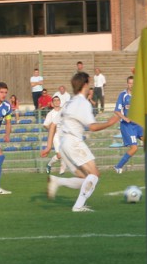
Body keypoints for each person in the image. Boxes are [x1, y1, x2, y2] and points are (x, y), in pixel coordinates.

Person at [43, 72, 120, 212]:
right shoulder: (83, 103)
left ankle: (57, 181)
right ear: (85, 84)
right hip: (74, 143)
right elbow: (92, 127)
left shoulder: (68, 103)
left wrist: (49, 146)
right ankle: (78, 206)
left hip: (63, 144)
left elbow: (53, 125)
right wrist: (110, 122)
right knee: (94, 175)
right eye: (89, 83)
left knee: (86, 178)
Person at [113, 76, 147, 174]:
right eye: (130, 83)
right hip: (127, 126)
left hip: (138, 125)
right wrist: (125, 118)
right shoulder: (123, 95)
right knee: (134, 148)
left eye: (133, 83)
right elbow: (117, 111)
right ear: (127, 84)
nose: (131, 85)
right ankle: (118, 166)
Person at [42, 95, 65, 174]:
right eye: (55, 100)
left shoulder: (64, 111)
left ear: (60, 102)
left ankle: (62, 171)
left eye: (58, 100)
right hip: (55, 135)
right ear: (52, 103)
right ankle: (49, 164)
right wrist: (52, 130)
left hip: (64, 134)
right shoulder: (50, 114)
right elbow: (45, 125)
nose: (56, 102)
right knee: (59, 155)